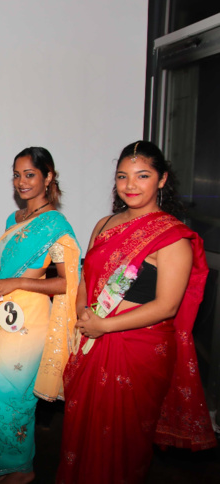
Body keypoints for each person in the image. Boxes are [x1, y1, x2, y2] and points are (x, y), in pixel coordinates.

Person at [56, 141, 216, 484]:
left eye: (142, 176)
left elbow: (167, 305)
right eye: (122, 176)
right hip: (92, 340)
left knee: (123, 442)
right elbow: (86, 279)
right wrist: (84, 314)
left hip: (138, 350)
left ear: (162, 179)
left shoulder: (172, 237)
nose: (130, 185)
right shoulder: (104, 224)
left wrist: (105, 325)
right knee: (81, 434)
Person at [0, 147, 80, 484]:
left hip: (31, 320)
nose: (22, 182)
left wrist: (18, 282)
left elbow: (67, 281)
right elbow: (3, 270)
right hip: (3, 314)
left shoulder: (56, 224)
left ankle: (22, 469)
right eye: (17, 175)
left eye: (30, 174)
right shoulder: (14, 219)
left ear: (48, 177)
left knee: (14, 397)